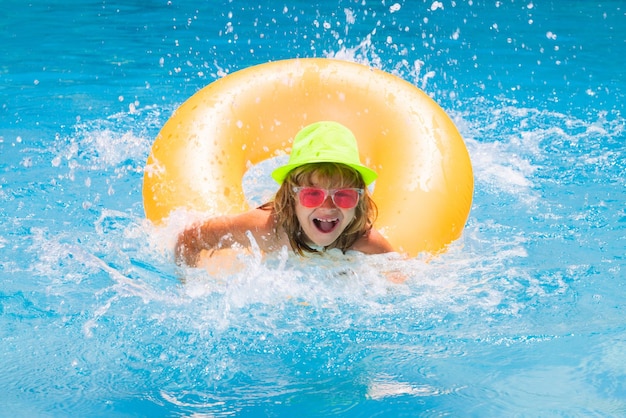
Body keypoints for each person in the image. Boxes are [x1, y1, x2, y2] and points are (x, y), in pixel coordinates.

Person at [175, 121, 394, 267]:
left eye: (344, 195)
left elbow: (399, 276)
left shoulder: (361, 240)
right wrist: (186, 284)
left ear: (359, 201)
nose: (327, 207)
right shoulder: (264, 228)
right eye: (313, 195)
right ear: (292, 198)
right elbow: (191, 238)